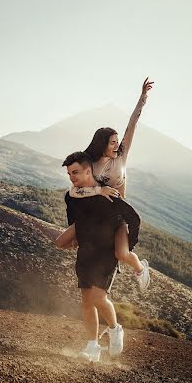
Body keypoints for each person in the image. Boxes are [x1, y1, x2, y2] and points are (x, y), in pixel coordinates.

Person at [66, 77, 153, 291]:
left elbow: (132, 124)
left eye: (117, 141)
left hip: (117, 214)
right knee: (65, 243)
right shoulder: (89, 163)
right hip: (93, 215)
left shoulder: (121, 156)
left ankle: (140, 269)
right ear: (102, 144)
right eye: (112, 142)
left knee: (122, 253)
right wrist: (98, 190)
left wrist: (142, 98)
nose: (116, 145)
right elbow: (74, 191)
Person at [56, 151, 141, 362]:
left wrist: (127, 246)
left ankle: (115, 328)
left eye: (75, 172)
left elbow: (133, 217)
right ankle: (92, 347)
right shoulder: (72, 196)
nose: (72, 177)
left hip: (105, 254)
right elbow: (72, 217)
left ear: (88, 170)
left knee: (97, 298)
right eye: (69, 174)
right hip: (86, 252)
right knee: (86, 301)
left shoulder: (107, 194)